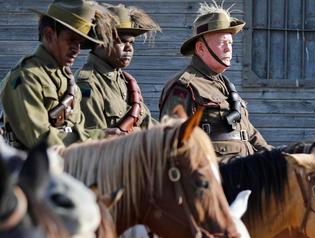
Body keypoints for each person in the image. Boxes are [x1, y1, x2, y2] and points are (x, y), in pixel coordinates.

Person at [159, 2, 271, 162]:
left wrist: (279, 158)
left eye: (230, 43)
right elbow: (172, 146)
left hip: (245, 174)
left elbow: (249, 134)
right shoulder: (185, 86)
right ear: (201, 48)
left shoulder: (226, 86)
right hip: (215, 179)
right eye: (222, 43)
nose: (228, 49)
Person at [1, 0, 116, 149]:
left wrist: (105, 136)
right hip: (32, 168)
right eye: (71, 40)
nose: (77, 49)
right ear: (49, 34)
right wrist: (98, 138)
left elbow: (77, 131)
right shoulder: (26, 76)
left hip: (66, 164)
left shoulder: (67, 80)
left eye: (80, 43)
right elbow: (41, 141)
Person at [77, 4, 160, 132]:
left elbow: (146, 122)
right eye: (121, 41)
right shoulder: (87, 84)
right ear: (101, 43)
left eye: (131, 42)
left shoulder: (125, 81)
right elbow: (97, 143)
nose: (129, 48)